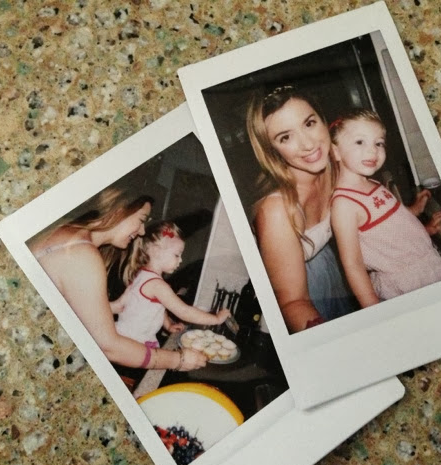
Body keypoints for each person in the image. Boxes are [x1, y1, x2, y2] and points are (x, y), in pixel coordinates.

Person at [29, 187, 207, 371]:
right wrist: (178, 360)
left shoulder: (70, 234)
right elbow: (108, 346)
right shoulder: (82, 255)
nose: (142, 231)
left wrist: (114, 306)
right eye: (141, 220)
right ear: (120, 211)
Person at [247, 85, 357, 333]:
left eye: (309, 123)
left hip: (328, 266)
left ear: (322, 119)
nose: (308, 144)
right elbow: (292, 302)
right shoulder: (277, 211)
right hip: (298, 294)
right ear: (272, 151)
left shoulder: (333, 162)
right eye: (285, 137)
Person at [329, 109, 441, 308]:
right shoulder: (344, 204)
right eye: (360, 142)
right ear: (335, 151)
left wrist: (419, 217)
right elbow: (353, 265)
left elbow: (392, 224)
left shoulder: (373, 184)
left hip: (426, 263)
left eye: (378, 143)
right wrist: (374, 309)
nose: (373, 151)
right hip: (408, 284)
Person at [111, 221, 231, 348]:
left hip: (127, 336)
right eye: (176, 255)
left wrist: (168, 325)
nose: (181, 260)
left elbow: (156, 306)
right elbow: (184, 311)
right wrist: (216, 319)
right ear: (156, 251)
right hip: (133, 343)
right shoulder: (157, 285)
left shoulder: (143, 275)